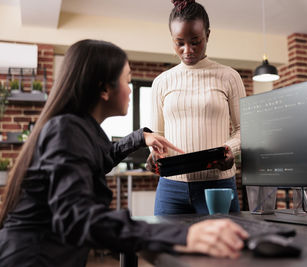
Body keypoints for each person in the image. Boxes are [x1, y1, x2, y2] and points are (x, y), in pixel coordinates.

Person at [0, 39, 248, 266]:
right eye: (127, 80)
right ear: (104, 90)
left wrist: (141, 137)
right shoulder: (66, 130)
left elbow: (103, 157)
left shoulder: (81, 128)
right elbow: (78, 219)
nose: (130, 89)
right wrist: (182, 235)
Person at [146, 0, 247, 215]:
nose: (187, 50)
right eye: (179, 43)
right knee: (165, 247)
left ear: (207, 35)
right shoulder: (162, 82)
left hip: (217, 185)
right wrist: (154, 154)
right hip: (171, 188)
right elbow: (157, 135)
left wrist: (230, 151)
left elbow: (244, 129)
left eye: (196, 41)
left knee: (223, 248)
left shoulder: (229, 77)